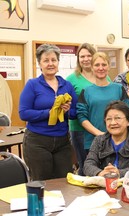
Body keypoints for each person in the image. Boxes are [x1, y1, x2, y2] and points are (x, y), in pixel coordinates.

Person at [19, 44, 77, 181]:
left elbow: (75, 113)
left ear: (58, 62)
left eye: (53, 60)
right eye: (46, 60)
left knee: (64, 181)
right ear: (39, 63)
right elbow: (24, 113)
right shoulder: (32, 85)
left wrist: (67, 111)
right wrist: (50, 113)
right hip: (37, 142)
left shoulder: (66, 85)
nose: (50, 63)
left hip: (63, 142)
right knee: (42, 183)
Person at [77, 52, 129, 152]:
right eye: (97, 65)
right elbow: (81, 117)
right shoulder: (86, 91)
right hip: (93, 142)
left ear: (108, 66)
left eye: (104, 64)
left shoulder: (119, 89)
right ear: (92, 68)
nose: (100, 68)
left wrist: (114, 134)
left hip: (119, 142)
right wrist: (100, 134)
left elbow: (127, 112)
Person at [83, 101, 129, 177]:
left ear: (128, 121)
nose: (113, 123)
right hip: (104, 184)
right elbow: (88, 164)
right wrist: (100, 173)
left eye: (117, 118)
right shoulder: (99, 140)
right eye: (109, 119)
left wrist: (119, 173)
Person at [66, 43, 99, 176]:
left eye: (89, 55)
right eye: (82, 56)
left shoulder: (102, 75)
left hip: (99, 127)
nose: (85, 59)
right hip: (79, 130)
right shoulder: (71, 79)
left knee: (98, 165)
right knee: (85, 165)